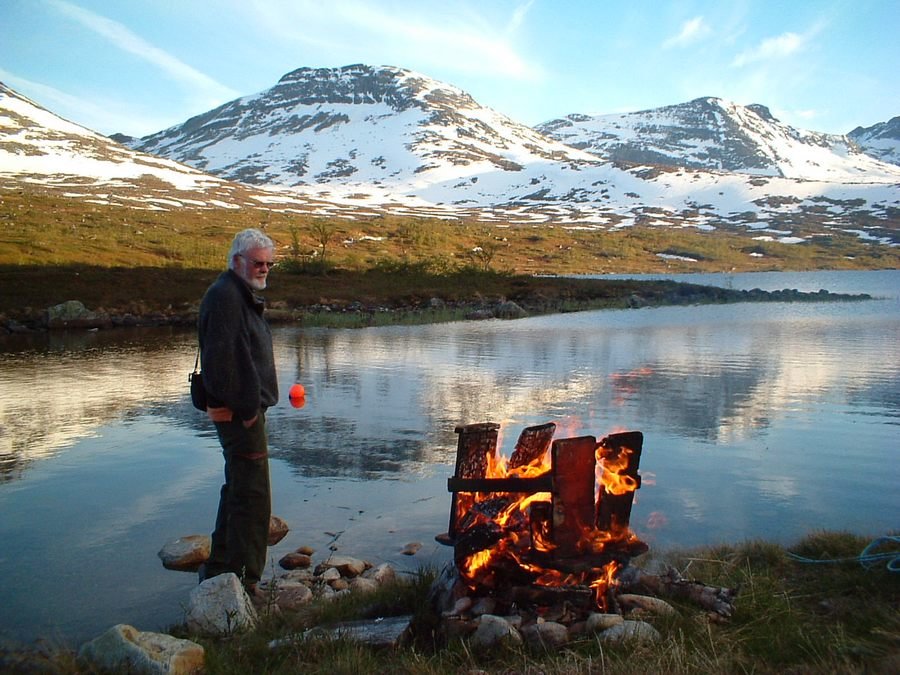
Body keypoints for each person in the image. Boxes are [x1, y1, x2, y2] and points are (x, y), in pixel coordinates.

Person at [197, 228, 279, 591]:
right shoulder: (226, 297)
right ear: (236, 262)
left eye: (268, 264)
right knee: (253, 496)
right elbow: (223, 364)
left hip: (242, 411)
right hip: (241, 415)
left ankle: (220, 572)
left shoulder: (234, 293)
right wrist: (246, 410)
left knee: (238, 488)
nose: (263, 269)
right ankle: (245, 581)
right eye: (257, 263)